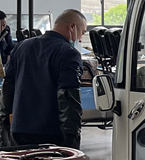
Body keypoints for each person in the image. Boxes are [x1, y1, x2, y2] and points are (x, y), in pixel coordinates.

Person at [0, 8, 87, 149]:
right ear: (72, 27)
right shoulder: (69, 53)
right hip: (51, 134)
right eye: (82, 32)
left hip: (19, 130)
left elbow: (7, 89)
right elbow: (68, 99)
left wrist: (4, 128)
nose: (81, 39)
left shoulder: (21, 47)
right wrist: (71, 142)